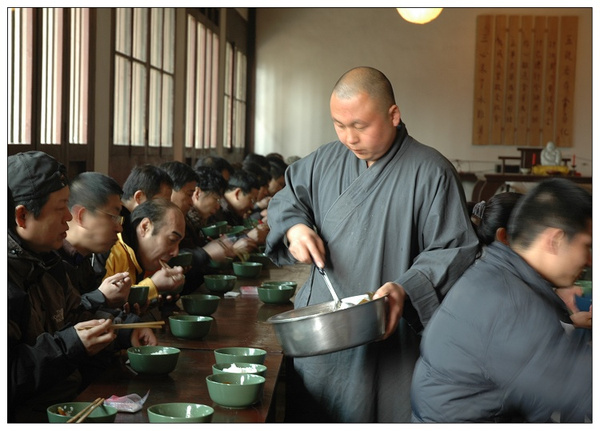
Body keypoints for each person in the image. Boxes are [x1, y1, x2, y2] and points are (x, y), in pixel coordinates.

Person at [264, 66, 479, 422]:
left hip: (388, 333)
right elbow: (287, 200)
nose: (349, 137)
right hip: (322, 333)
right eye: (339, 124)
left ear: (393, 115)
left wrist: (405, 288)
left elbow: (453, 250)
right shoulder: (323, 160)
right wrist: (295, 229)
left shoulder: (431, 172)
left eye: (360, 126)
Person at [410, 178, 592, 423]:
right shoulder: (514, 306)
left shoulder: (495, 272)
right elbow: (582, 390)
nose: (590, 260)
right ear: (555, 240)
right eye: (587, 246)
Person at [8, 152, 128, 422]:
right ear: (22, 216)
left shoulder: (49, 262)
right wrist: (69, 345)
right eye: (60, 208)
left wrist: (122, 330)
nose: (68, 218)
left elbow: (76, 316)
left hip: (68, 403)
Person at [101, 198, 186, 311]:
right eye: (172, 239)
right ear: (145, 227)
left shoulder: (143, 258)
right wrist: (153, 286)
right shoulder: (110, 252)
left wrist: (156, 296)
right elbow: (102, 305)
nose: (175, 252)